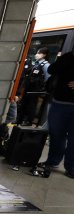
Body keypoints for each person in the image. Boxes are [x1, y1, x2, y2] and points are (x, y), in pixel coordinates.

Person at [40, 50, 74, 178]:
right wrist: (65, 59)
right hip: (60, 102)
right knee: (56, 134)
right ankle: (53, 161)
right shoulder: (66, 58)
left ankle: (71, 167)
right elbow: (51, 70)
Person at [17, 47, 51, 126]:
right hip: (29, 87)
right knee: (24, 103)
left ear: (44, 55)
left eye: (39, 53)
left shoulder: (46, 65)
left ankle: (29, 121)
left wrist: (42, 88)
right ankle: (20, 119)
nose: (36, 55)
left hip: (36, 89)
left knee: (31, 105)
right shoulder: (36, 64)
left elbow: (48, 78)